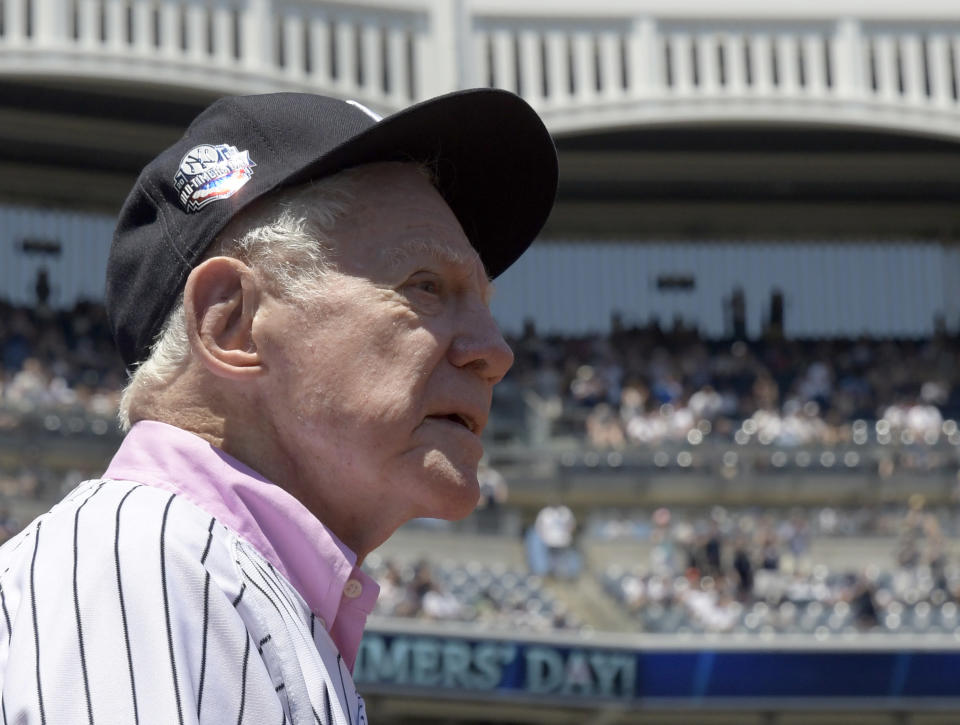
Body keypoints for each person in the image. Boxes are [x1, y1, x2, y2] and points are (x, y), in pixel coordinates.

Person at [0, 90, 557, 723]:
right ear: (234, 323)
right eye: (425, 287)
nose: (496, 351)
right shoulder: (151, 561)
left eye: (484, 302)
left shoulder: (216, 579)